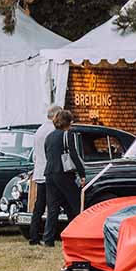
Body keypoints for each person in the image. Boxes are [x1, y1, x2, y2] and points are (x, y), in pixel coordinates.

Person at [42, 109, 86, 247]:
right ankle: (76, 234)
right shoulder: (68, 135)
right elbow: (74, 154)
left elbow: (47, 154)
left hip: (49, 172)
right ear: (68, 122)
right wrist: (82, 174)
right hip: (64, 172)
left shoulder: (49, 136)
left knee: (53, 207)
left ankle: (48, 239)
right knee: (75, 204)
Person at [28, 105, 61, 245]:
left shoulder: (39, 130)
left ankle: (33, 235)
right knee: (53, 206)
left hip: (39, 171)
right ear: (56, 116)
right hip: (49, 172)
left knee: (39, 206)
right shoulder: (53, 131)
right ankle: (49, 236)